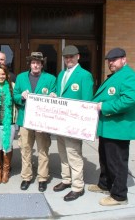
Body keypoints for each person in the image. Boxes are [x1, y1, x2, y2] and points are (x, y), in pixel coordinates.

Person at [89, 47, 135, 206]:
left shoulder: (130, 76)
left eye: (114, 59)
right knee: (105, 159)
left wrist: (104, 107)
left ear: (124, 59)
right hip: (109, 127)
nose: (110, 63)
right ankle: (105, 184)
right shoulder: (118, 75)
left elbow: (129, 100)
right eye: (109, 60)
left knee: (117, 163)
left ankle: (119, 195)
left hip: (119, 128)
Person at [51, 45, 94, 201]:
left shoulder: (85, 75)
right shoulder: (61, 74)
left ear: (78, 57)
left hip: (74, 124)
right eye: (66, 57)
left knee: (74, 155)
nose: (68, 59)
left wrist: (83, 125)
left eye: (71, 56)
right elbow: (60, 94)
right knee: (63, 154)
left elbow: (88, 102)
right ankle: (66, 179)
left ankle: (77, 187)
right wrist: (54, 95)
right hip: (61, 122)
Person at [13, 52, 56, 192]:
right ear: (30, 64)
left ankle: (42, 178)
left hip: (42, 122)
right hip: (25, 119)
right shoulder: (20, 77)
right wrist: (21, 97)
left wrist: (53, 96)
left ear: (42, 64)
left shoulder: (50, 79)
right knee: (25, 149)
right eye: (33, 62)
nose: (35, 65)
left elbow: (55, 95)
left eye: (38, 62)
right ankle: (26, 177)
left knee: (43, 149)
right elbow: (15, 96)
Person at [0, 64, 16, 184]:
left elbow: (19, 100)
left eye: (3, 74)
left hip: (8, 123)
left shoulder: (12, 86)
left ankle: (6, 171)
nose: (1, 76)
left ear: (7, 75)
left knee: (7, 147)